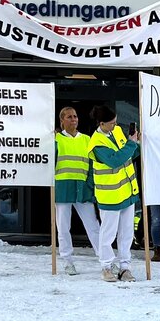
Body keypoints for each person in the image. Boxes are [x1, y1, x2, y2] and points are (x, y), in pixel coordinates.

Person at [89, 105, 140, 282]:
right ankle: (106, 267)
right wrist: (132, 145)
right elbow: (115, 160)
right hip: (109, 196)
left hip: (127, 192)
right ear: (101, 123)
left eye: (116, 121)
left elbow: (129, 155)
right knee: (108, 234)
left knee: (126, 233)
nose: (115, 125)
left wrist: (137, 145)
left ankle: (125, 268)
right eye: (112, 123)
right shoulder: (96, 143)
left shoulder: (117, 131)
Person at [53, 106, 102, 275]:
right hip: (63, 188)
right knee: (63, 227)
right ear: (62, 121)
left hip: (82, 189)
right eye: (69, 117)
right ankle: (67, 261)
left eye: (75, 116)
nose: (73, 119)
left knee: (93, 226)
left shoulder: (87, 140)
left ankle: (105, 260)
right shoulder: (56, 140)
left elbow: (92, 165)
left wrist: (90, 186)